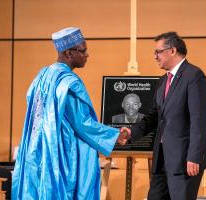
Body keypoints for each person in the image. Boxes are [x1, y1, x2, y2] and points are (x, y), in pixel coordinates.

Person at [12, 27, 129, 200]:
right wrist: (114, 135)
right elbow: (82, 123)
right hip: (61, 153)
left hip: (38, 150)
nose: (87, 55)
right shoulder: (68, 82)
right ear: (69, 53)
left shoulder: (42, 76)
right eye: (83, 50)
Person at [121, 32, 206, 200]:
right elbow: (154, 116)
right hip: (162, 159)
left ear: (172, 50)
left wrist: (194, 156)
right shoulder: (163, 80)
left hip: (185, 160)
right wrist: (131, 132)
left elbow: (199, 121)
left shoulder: (194, 76)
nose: (155, 57)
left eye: (158, 52)